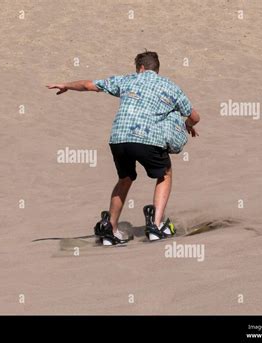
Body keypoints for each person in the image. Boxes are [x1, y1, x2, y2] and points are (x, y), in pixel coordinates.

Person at [46, 50, 200, 245]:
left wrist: (66, 85)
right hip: (147, 140)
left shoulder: (127, 80)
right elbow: (194, 116)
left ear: (141, 68)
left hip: (118, 139)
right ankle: (156, 225)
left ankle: (111, 228)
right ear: (156, 69)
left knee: (125, 178)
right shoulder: (170, 86)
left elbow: (88, 85)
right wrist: (188, 126)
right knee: (165, 173)